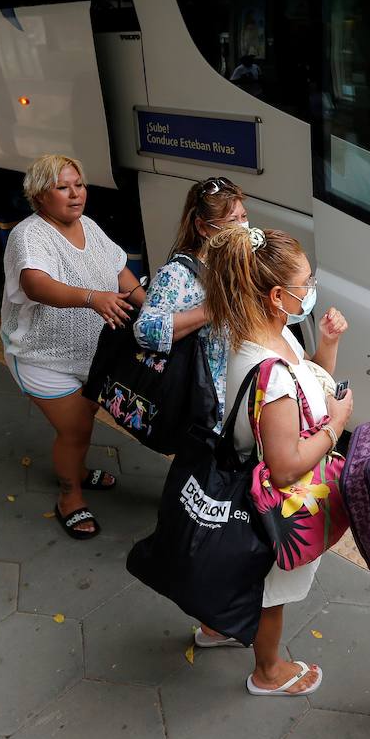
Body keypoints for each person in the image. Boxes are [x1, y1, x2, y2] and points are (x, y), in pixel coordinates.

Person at [203, 225, 352, 697]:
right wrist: (337, 424)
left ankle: (216, 626)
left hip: (243, 483)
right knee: (271, 593)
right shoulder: (272, 368)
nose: (310, 291)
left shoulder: (269, 338)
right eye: (305, 284)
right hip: (274, 504)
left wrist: (325, 347)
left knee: (240, 572)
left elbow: (305, 386)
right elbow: (286, 464)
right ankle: (268, 671)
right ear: (276, 295)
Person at [0, 154, 146, 540]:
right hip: (42, 357)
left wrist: (151, 310)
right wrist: (91, 298)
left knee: (83, 420)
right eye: (63, 187)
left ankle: (77, 470)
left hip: (91, 355)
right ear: (39, 195)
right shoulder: (29, 235)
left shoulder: (89, 226)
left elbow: (122, 276)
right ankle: (70, 496)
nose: (75, 194)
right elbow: (35, 284)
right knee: (77, 430)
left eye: (79, 184)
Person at [134, 176, 251, 650]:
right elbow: (147, 330)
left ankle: (219, 613)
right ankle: (210, 607)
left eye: (245, 217)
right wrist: (211, 309)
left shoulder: (239, 262)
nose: (244, 227)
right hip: (211, 417)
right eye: (233, 221)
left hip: (243, 404)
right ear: (205, 227)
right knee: (219, 516)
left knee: (234, 513)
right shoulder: (179, 276)